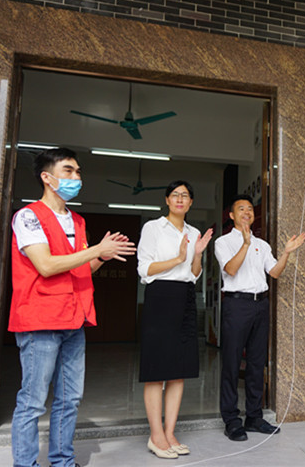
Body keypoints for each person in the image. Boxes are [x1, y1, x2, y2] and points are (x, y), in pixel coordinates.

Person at [9, 148, 136, 467]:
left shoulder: (77, 221)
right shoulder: (28, 216)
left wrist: (100, 257)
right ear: (47, 177)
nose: (76, 178)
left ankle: (62, 461)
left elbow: (79, 268)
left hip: (74, 319)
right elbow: (47, 265)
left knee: (70, 399)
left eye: (78, 172)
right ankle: (25, 464)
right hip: (40, 322)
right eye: (68, 171)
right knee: (33, 401)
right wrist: (96, 248)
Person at [214, 195, 305, 441]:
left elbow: (274, 272)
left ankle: (254, 416)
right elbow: (231, 270)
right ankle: (232, 420)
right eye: (240, 209)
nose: (247, 212)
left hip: (260, 305)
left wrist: (286, 253)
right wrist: (244, 244)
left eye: (249, 209)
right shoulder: (223, 243)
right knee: (232, 364)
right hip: (236, 305)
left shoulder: (262, 245)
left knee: (256, 363)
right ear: (231, 216)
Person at [136, 180, 213, 459]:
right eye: (175, 195)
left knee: (179, 371)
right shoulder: (153, 228)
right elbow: (144, 269)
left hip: (186, 297)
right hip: (160, 297)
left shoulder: (194, 232)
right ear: (167, 200)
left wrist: (197, 255)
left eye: (186, 196)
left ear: (191, 203)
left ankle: (170, 432)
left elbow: (193, 274)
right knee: (157, 371)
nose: (180, 199)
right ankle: (155, 436)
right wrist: (177, 257)